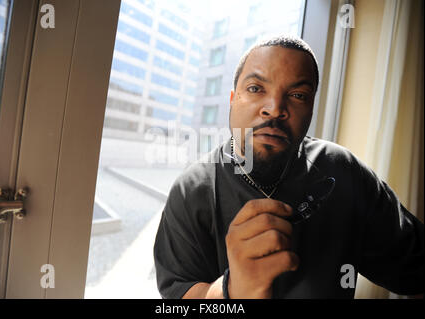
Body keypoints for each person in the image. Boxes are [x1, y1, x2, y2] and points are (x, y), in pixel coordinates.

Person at [153, 35, 424, 299]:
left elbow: (412, 269)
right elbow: (180, 293)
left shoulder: (344, 172)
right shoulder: (193, 189)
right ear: (233, 99)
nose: (274, 108)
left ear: (311, 109)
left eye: (297, 94)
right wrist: (232, 291)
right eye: (256, 88)